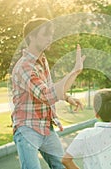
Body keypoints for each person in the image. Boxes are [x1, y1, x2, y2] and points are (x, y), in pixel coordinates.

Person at [11, 18, 85, 169]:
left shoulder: (42, 61)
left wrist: (68, 97)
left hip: (46, 127)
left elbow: (49, 87)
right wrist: (75, 71)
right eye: (46, 34)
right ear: (31, 36)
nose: (50, 38)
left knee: (62, 166)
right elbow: (46, 95)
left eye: (51, 34)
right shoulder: (25, 66)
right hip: (27, 128)